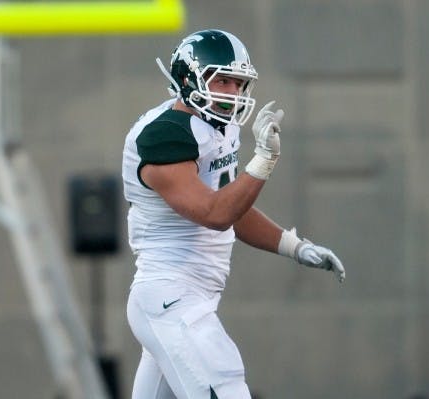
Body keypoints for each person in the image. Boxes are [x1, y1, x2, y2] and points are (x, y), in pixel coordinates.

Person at [121, 29, 346, 399]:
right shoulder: (164, 136)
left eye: (238, 83)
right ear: (189, 78)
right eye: (222, 80)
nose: (231, 93)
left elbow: (233, 206)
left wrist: (294, 246)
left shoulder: (216, 126)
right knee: (226, 388)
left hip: (189, 296)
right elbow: (215, 212)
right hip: (170, 297)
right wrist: (264, 160)